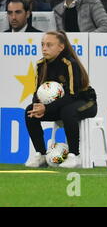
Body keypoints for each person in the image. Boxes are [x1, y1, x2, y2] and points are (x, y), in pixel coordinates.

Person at [25, 30, 98, 168]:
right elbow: (37, 93)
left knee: (67, 111)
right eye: (42, 44)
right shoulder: (40, 65)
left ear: (61, 47)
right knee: (30, 112)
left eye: (49, 45)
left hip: (86, 101)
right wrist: (38, 107)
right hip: (61, 105)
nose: (44, 48)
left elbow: (72, 95)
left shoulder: (69, 64)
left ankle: (74, 155)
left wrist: (46, 108)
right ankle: (40, 154)